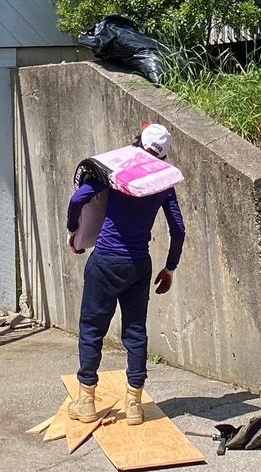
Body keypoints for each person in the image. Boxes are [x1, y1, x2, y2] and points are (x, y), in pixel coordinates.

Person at [65, 123, 184, 426]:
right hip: (138, 265)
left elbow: (79, 198)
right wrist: (169, 267)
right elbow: (178, 229)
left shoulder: (117, 170)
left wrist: (74, 230)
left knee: (92, 329)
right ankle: (134, 405)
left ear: (138, 142)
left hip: (105, 261)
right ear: (163, 153)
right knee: (135, 332)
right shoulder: (163, 181)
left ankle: (87, 403)